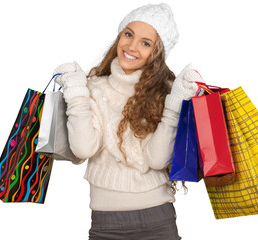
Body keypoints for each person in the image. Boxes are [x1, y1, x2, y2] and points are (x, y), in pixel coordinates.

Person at [53, 3, 204, 240]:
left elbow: (156, 160)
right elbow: (82, 149)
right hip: (105, 224)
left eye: (146, 43)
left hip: (157, 220)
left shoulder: (164, 93)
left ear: (157, 53)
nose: (132, 47)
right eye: (128, 34)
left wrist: (174, 106)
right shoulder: (93, 88)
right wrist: (76, 94)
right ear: (119, 36)